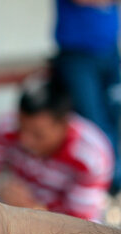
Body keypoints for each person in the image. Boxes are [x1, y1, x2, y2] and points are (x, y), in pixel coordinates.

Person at [0, 79, 114, 221]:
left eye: (37, 135)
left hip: (61, 228)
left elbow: (80, 226)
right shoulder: (7, 126)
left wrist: (32, 208)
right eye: (21, 129)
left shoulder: (91, 157)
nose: (25, 140)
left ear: (64, 125)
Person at [52, 0, 121, 192]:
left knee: (113, 115)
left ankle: (112, 181)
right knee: (93, 121)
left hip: (108, 50)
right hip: (77, 56)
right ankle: (100, 185)